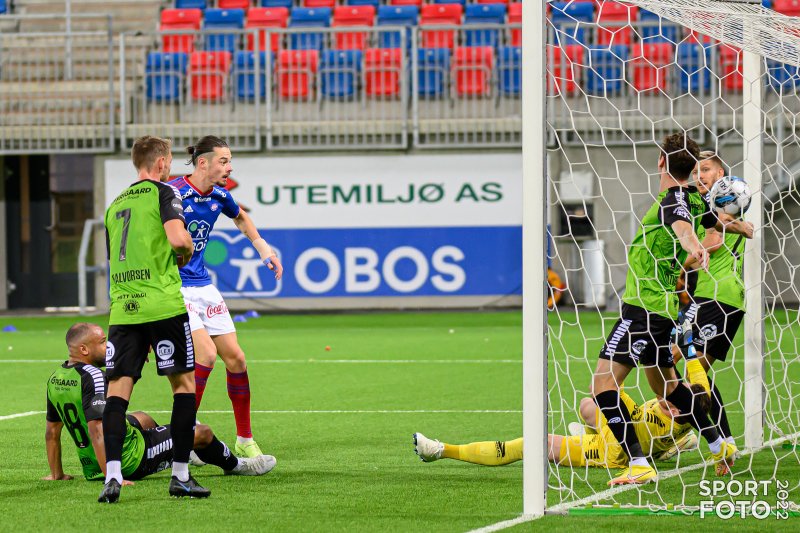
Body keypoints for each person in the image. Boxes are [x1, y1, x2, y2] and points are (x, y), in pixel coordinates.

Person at [591, 133, 749, 486]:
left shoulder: (674, 198)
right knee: (667, 388)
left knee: (602, 386)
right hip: (662, 307)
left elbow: (681, 227)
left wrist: (694, 246)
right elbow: (714, 221)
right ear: (694, 169)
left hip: (643, 308)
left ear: (661, 161)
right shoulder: (696, 199)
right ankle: (718, 442)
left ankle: (637, 462)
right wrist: (744, 226)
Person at [44, 323, 277, 485]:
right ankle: (237, 465)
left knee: (142, 417)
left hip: (91, 465)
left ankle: (177, 450)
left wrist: (57, 474)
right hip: (127, 460)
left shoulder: (56, 378)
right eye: (103, 342)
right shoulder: (94, 377)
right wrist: (112, 475)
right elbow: (97, 431)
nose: (109, 346)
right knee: (202, 432)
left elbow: (52, 432)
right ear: (84, 349)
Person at [168, 136, 283, 459]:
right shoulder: (173, 192)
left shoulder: (219, 195)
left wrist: (264, 250)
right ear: (203, 163)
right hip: (174, 287)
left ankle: (245, 438)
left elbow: (240, 217)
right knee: (205, 356)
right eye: (223, 161)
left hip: (204, 286)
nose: (229, 167)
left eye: (230, 161)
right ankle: (185, 434)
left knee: (237, 358)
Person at [101, 135, 202, 502]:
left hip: (123, 310)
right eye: (170, 161)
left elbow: (116, 258)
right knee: (183, 386)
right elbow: (178, 240)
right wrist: (186, 252)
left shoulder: (114, 205)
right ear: (160, 163)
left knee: (117, 391)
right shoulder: (164, 192)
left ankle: (112, 475)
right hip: (161, 305)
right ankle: (180, 475)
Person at [672, 151, 752, 475]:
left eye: (705, 169)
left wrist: (680, 263)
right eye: (695, 171)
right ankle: (724, 444)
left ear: (721, 171)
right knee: (690, 369)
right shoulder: (708, 205)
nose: (699, 175)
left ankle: (681, 435)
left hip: (720, 298)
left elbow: (713, 240)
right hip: (708, 297)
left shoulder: (723, 203)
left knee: (683, 365)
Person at [412, 384, 708, 469]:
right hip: (633, 432)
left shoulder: (653, 421)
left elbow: (613, 392)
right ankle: (669, 449)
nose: (666, 394)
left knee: (532, 444)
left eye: (671, 399)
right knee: (587, 405)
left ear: (678, 410)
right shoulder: (688, 408)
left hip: (611, 449)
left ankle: (439, 450)